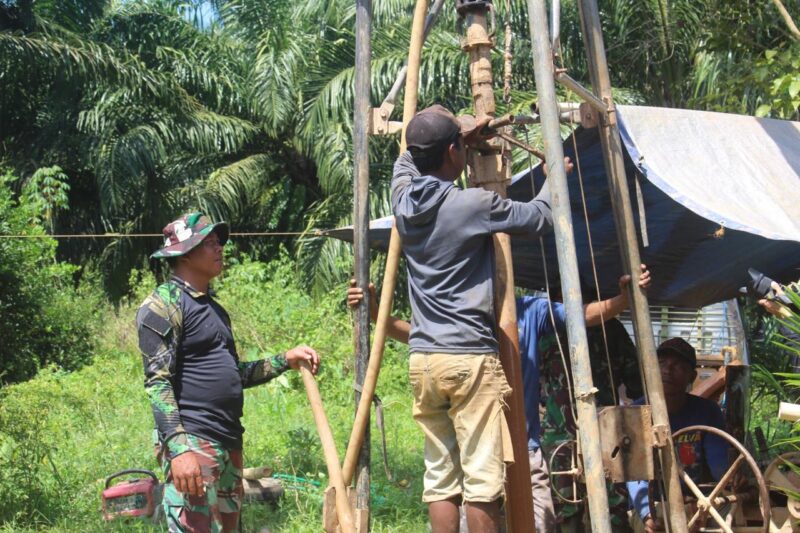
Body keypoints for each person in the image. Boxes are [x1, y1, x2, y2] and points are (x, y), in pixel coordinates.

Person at [346, 267, 651, 533]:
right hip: (473, 446)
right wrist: (376, 314)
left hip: (523, 449)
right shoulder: (457, 317)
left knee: (541, 523)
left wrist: (623, 300)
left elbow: (581, 315)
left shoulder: (530, 311)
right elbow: (414, 334)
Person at [392, 104, 554, 533]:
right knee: (482, 479)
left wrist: (460, 135)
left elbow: (407, 157)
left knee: (441, 477)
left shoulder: (403, 200)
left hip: (423, 359)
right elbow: (541, 216)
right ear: (452, 152)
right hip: (468, 358)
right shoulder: (473, 205)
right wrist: (557, 177)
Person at [136, 212, 320, 533]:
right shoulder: (163, 304)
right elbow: (158, 382)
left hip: (227, 442)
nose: (220, 248)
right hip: (194, 441)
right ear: (186, 252)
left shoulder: (214, 309)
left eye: (219, 241)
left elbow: (235, 373)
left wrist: (284, 360)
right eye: (209, 242)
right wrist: (179, 450)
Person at [626, 337, 729, 533]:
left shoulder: (707, 411)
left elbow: (719, 466)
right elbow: (634, 476)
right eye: (662, 363)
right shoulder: (636, 413)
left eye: (678, 366)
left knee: (731, 516)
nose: (667, 370)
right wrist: (647, 514)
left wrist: (732, 481)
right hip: (651, 503)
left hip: (697, 501)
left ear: (692, 376)